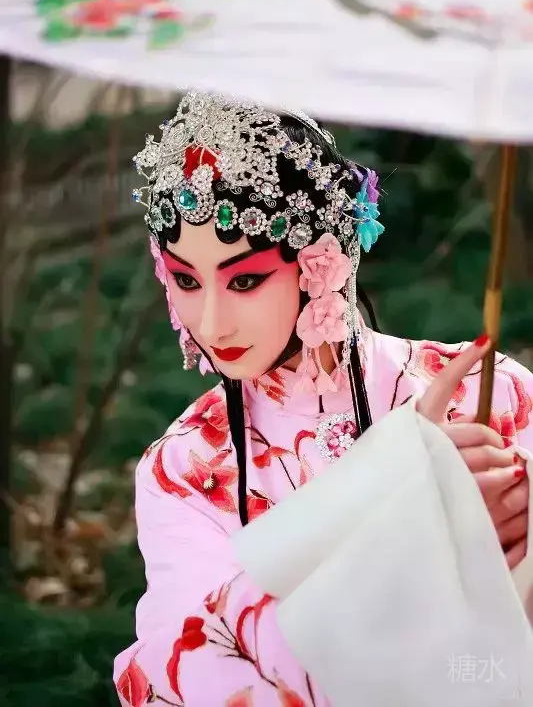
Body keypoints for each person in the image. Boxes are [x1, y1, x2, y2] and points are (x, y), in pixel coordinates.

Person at [114, 93, 532, 706]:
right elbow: (192, 672)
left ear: (321, 263)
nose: (210, 320)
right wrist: (413, 514)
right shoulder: (186, 470)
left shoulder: (490, 392)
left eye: (245, 279)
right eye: (185, 279)